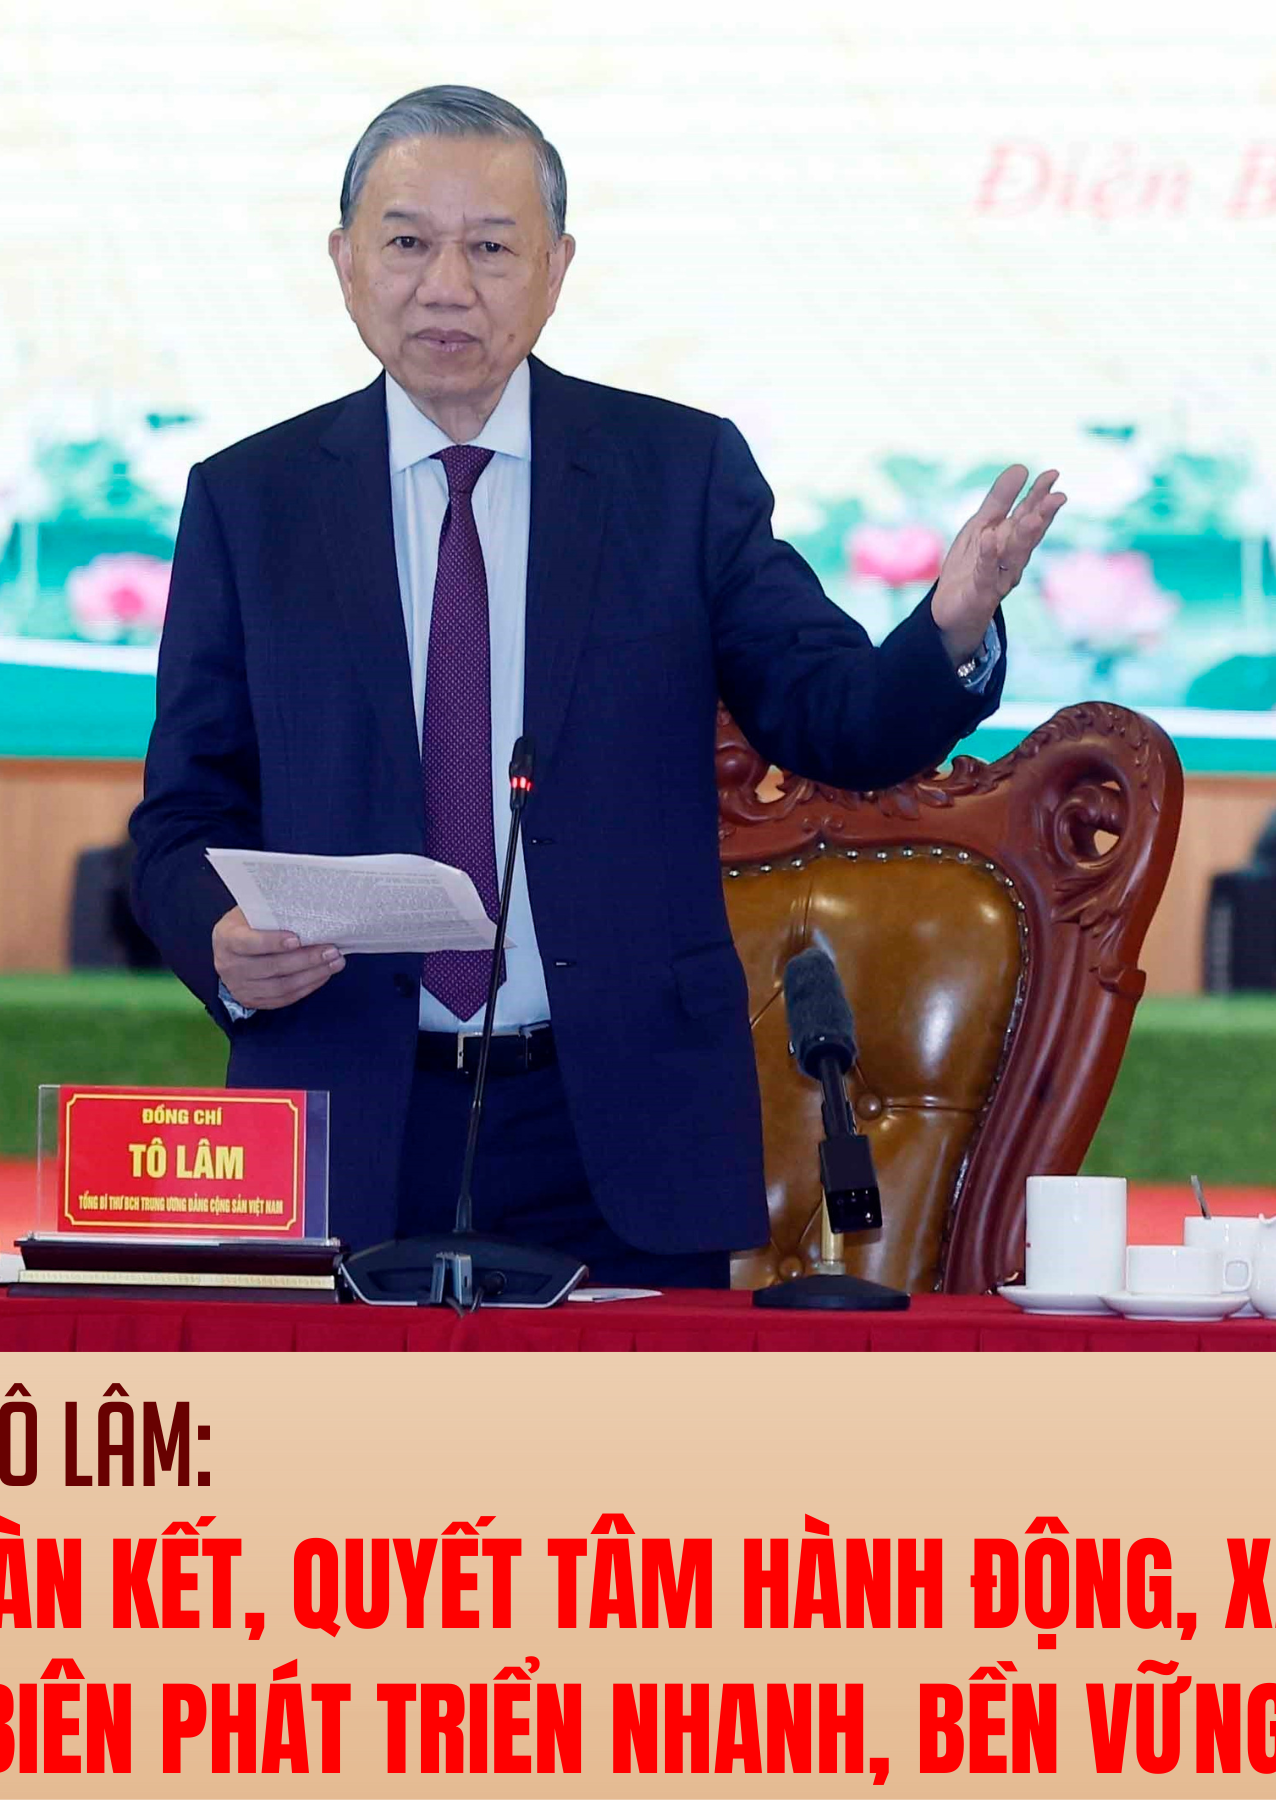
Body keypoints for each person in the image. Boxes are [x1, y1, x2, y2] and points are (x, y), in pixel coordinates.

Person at [131, 86, 1066, 1288]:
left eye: (490, 247)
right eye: (407, 242)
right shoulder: (250, 501)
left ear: (556, 269)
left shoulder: (672, 475)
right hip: (342, 1112)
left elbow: (832, 718)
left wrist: (949, 626)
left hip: (614, 1122)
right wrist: (215, 938)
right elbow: (183, 813)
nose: (445, 285)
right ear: (344, 262)